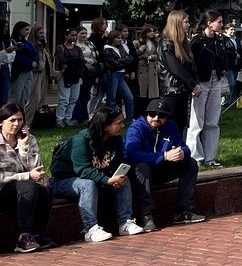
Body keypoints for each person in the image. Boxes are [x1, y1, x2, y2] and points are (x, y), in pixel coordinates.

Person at [49, 106, 143, 242]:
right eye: (118, 123)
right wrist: (107, 180)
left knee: (123, 180)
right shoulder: (81, 140)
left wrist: (116, 175)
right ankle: (90, 229)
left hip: (97, 180)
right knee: (87, 184)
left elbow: (120, 160)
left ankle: (125, 222)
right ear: (105, 126)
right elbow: (83, 170)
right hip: (63, 181)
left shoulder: (115, 139)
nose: (123, 125)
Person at [123, 98, 205, 230]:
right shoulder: (137, 128)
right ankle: (146, 214)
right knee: (141, 165)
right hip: (139, 174)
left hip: (162, 169)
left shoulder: (170, 126)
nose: (156, 118)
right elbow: (131, 154)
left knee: (190, 163)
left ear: (167, 117)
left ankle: (184, 211)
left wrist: (181, 153)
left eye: (161, 116)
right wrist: (164, 156)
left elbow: (185, 148)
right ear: (147, 114)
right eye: (152, 114)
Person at [0, 103, 55, 252]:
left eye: (20, 120)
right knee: (28, 186)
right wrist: (27, 176)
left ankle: (39, 234)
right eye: (12, 120)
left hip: (24, 192)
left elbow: (36, 169)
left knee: (44, 191)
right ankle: (24, 236)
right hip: (2, 190)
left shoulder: (29, 139)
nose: (17, 124)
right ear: (1, 122)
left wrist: (24, 148)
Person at [188, 11, 228, 167]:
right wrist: (194, 83)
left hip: (215, 79)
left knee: (212, 121)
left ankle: (210, 157)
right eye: (219, 21)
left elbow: (223, 57)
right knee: (197, 121)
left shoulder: (219, 40)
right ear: (209, 23)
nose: (221, 24)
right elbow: (191, 63)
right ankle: (195, 158)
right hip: (201, 82)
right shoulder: (197, 41)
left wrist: (222, 67)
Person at [159, 11, 201, 131]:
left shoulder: (183, 44)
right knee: (171, 127)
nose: (188, 25)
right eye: (186, 22)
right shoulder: (166, 43)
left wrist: (194, 84)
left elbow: (190, 67)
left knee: (182, 127)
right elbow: (175, 68)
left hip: (183, 91)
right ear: (177, 23)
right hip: (171, 92)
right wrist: (193, 85)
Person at [101, 31, 136, 118]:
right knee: (111, 99)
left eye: (120, 38)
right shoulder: (107, 49)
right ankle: (111, 119)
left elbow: (131, 58)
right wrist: (125, 61)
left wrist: (122, 61)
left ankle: (129, 119)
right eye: (117, 38)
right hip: (112, 75)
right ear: (111, 39)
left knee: (129, 98)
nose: (120, 40)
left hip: (121, 75)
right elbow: (114, 64)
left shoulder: (121, 48)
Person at [54, 30, 84, 128]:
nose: (74, 37)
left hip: (76, 75)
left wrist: (72, 63)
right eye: (72, 35)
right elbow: (62, 60)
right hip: (65, 75)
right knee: (64, 99)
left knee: (73, 99)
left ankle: (67, 118)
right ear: (66, 36)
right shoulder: (61, 48)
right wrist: (71, 62)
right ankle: (59, 120)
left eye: (75, 35)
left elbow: (81, 60)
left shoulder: (78, 49)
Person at [73, 25, 101, 123]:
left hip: (90, 73)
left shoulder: (90, 44)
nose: (84, 35)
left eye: (85, 33)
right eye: (82, 33)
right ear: (76, 35)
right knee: (77, 96)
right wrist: (85, 64)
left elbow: (96, 57)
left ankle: (84, 116)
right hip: (79, 72)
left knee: (86, 95)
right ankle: (75, 117)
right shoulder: (74, 45)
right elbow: (75, 58)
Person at [134, 24, 161, 117]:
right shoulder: (137, 42)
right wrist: (140, 51)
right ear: (145, 32)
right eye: (150, 31)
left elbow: (158, 55)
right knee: (142, 91)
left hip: (151, 67)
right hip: (141, 68)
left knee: (152, 92)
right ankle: (139, 112)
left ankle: (150, 111)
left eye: (153, 31)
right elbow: (133, 55)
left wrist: (153, 56)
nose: (152, 33)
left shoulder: (155, 43)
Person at [8, 22, 36, 110]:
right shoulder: (12, 41)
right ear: (19, 29)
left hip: (28, 71)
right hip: (19, 71)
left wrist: (33, 60)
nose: (28, 32)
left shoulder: (27, 42)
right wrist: (30, 61)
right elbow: (16, 57)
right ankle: (11, 117)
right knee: (15, 97)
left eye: (29, 30)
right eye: (26, 30)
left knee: (25, 97)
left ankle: (21, 118)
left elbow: (35, 53)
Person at [25, 25, 49, 114]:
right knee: (34, 98)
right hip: (35, 73)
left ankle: (34, 120)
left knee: (41, 99)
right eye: (40, 33)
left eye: (43, 33)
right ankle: (27, 122)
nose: (42, 35)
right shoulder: (31, 45)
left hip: (44, 73)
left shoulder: (43, 45)